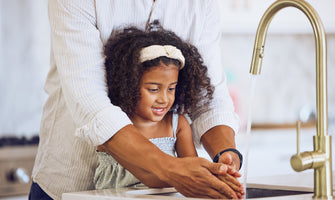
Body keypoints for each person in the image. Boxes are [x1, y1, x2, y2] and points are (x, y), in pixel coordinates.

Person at [30, 0, 242, 199]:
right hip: (67, 185)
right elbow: (91, 104)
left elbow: (210, 98)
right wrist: (171, 169)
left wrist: (226, 156)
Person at [93, 26, 243, 196]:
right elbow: (151, 175)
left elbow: (193, 169)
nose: (164, 99)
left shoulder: (177, 125)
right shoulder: (114, 125)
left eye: (171, 89)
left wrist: (218, 170)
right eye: (153, 89)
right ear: (128, 86)